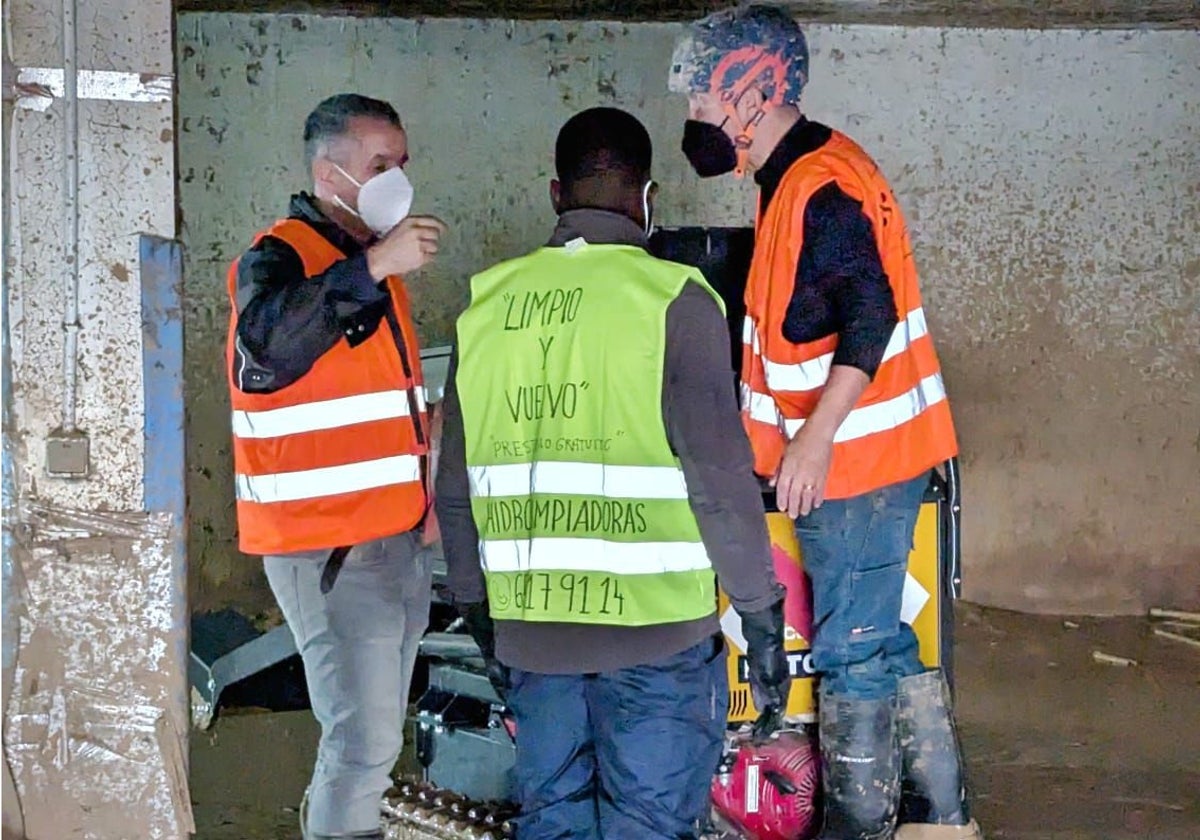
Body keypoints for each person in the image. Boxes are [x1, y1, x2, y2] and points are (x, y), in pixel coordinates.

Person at [435, 106, 789, 840]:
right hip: (656, 641)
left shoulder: (487, 306)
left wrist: (476, 607)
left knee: (554, 823)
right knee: (650, 825)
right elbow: (719, 481)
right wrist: (760, 613)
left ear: (556, 194)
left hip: (533, 636)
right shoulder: (677, 301)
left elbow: (457, 486)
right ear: (648, 198)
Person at [669, 7, 981, 840]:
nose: (694, 120)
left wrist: (812, 440)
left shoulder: (822, 188)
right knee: (884, 645)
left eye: (701, 100)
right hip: (871, 459)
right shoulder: (797, 174)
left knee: (853, 653)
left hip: (860, 467)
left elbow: (868, 316)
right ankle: (941, 820)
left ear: (751, 91)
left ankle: (859, 825)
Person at [225, 93, 447, 840]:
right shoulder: (282, 255)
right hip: (331, 552)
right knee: (363, 745)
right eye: (381, 166)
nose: (398, 181)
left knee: (372, 743)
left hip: (392, 543)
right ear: (330, 175)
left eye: (403, 164)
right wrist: (378, 264)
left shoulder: (364, 269)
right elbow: (267, 349)